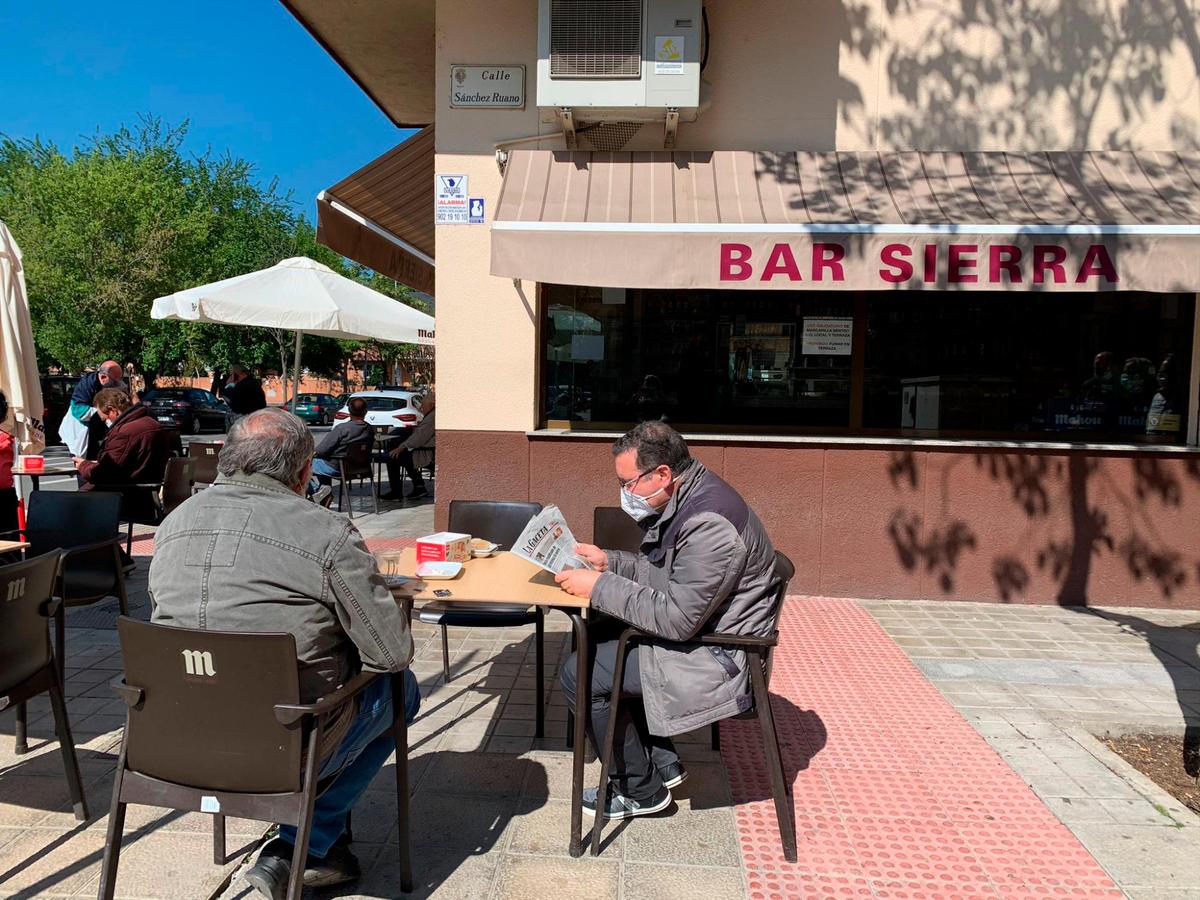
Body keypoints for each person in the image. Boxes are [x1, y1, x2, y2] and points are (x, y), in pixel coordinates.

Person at [148, 408, 419, 896]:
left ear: (229, 459)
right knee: (403, 690)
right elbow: (393, 655)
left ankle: (307, 846)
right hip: (282, 744)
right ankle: (301, 844)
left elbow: (164, 628)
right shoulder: (325, 532)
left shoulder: (172, 525)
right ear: (302, 471)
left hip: (170, 743)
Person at [555, 420, 780, 820]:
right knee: (603, 633)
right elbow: (669, 578)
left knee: (582, 673)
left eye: (628, 483)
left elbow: (676, 619)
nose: (624, 494)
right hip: (705, 635)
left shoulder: (709, 523)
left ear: (662, 474)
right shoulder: (693, 495)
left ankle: (640, 791)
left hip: (720, 658)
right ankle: (662, 762)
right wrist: (612, 563)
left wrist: (600, 585)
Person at [75, 388, 173, 524]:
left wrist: (83, 465)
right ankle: (107, 544)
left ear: (112, 410)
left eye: (104, 419)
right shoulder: (153, 423)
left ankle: (102, 544)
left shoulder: (125, 432)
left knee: (70, 504)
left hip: (129, 495)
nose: (106, 422)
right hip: (146, 493)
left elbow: (104, 473)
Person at [68, 360, 126, 460]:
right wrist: (104, 412)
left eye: (120, 380)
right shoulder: (86, 385)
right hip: (84, 432)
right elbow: (78, 411)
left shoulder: (115, 384)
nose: (118, 384)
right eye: (116, 381)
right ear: (103, 377)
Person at [382, 392, 434, 501]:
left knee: (393, 457)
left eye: (423, 405)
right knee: (401, 454)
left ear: (431, 405)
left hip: (429, 453)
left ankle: (397, 491)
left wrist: (402, 447)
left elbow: (420, 437)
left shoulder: (432, 416)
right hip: (426, 449)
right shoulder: (431, 416)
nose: (421, 408)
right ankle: (418, 486)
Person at [311, 397, 373, 488]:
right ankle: (324, 492)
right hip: (361, 468)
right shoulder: (369, 429)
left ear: (349, 411)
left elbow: (321, 450)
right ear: (366, 411)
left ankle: (317, 491)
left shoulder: (342, 428)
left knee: (301, 466)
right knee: (320, 462)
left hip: (337, 467)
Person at [222, 364, 267, 431]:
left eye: (232, 374)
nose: (231, 376)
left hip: (242, 419)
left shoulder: (243, 385)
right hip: (253, 418)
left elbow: (232, 401)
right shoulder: (254, 383)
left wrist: (228, 387)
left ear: (237, 374)